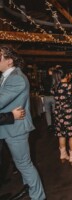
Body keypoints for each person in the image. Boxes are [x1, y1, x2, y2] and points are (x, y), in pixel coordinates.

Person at [0, 46, 46, 199]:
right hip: (8, 127)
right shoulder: (4, 77)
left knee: (24, 165)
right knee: (20, 164)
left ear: (9, 61)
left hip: (15, 129)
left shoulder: (17, 78)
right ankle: (29, 188)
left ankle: (38, 196)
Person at [52, 68, 72, 165]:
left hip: (58, 112)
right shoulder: (70, 86)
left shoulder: (54, 87)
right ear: (67, 75)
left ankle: (63, 155)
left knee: (61, 134)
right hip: (68, 112)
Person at [41, 67, 55, 133]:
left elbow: (43, 86)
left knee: (47, 112)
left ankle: (49, 125)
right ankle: (56, 124)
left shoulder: (44, 78)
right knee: (55, 111)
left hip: (46, 96)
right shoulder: (54, 78)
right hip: (53, 96)